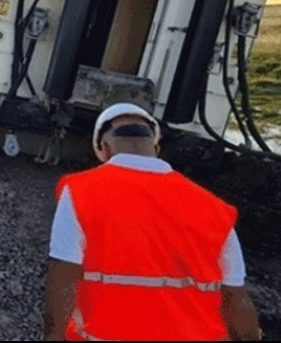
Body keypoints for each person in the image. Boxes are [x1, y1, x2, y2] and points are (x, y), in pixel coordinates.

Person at [42, 103, 261, 341]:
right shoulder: (213, 208)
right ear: (155, 148)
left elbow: (63, 275)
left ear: (104, 149)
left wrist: (52, 337)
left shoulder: (82, 192)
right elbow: (235, 297)